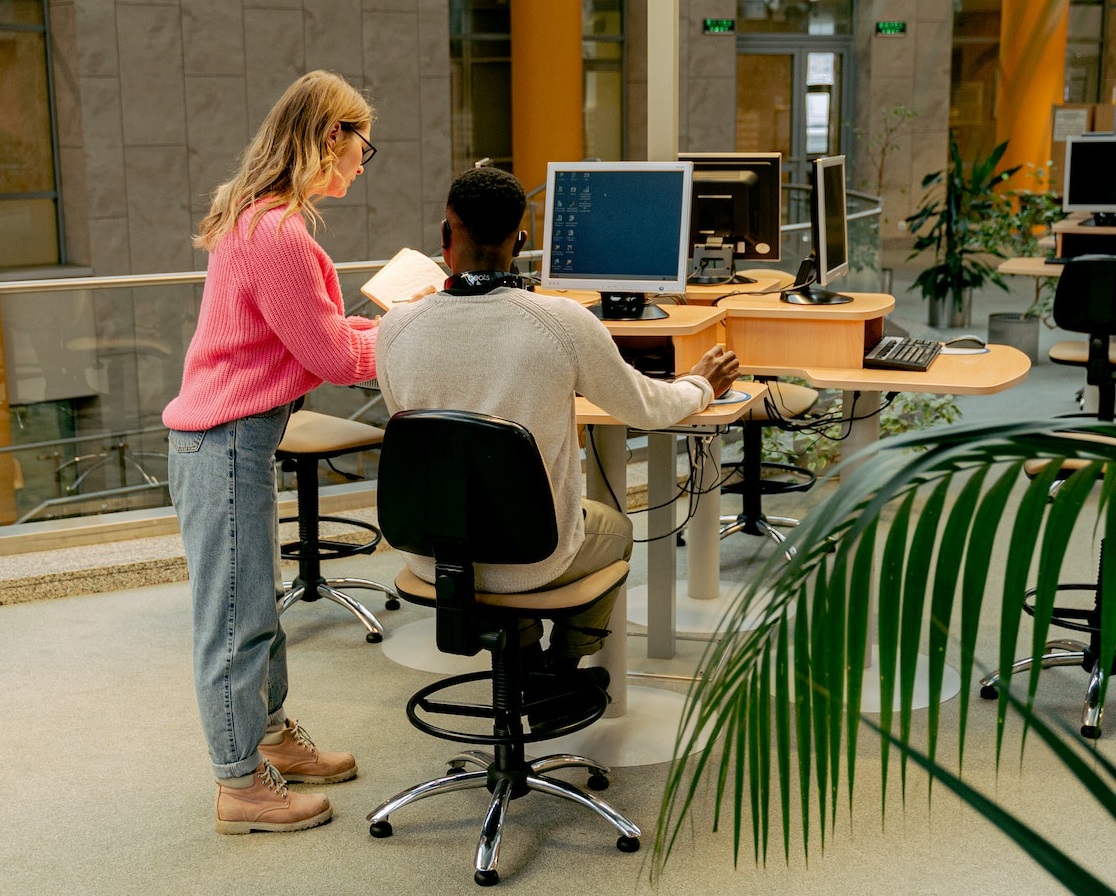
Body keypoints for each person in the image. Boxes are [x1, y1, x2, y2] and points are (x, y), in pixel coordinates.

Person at [375, 166, 739, 727]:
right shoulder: (560, 322)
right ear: (519, 243)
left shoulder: (394, 329)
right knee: (614, 529)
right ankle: (559, 671)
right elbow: (644, 407)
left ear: (445, 239)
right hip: (534, 557)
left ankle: (520, 665)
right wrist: (698, 385)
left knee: (491, 513)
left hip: (430, 555)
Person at [163, 70, 380, 834]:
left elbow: (319, 340)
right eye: (363, 145)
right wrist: (419, 332)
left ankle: (272, 738)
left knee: (253, 605)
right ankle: (239, 786)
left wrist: (399, 330)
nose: (363, 159)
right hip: (223, 443)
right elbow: (337, 359)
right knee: (234, 617)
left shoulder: (262, 219)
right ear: (331, 137)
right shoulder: (278, 233)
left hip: (232, 440)